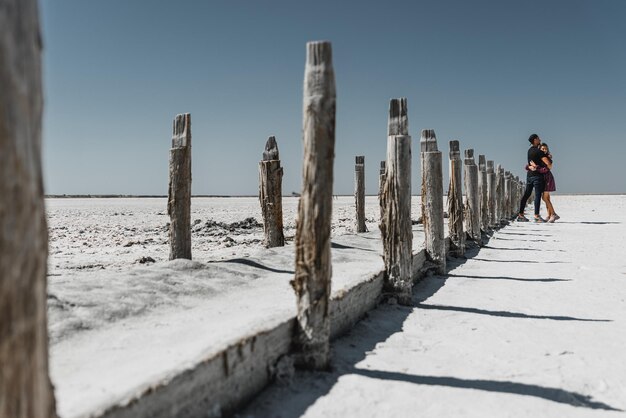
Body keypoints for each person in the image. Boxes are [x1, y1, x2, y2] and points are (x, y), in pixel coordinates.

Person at [517, 134, 552, 222]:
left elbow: (529, 164)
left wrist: (531, 166)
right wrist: (548, 156)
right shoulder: (538, 151)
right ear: (535, 140)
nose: (540, 139)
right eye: (538, 138)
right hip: (537, 176)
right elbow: (548, 164)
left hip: (529, 175)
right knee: (537, 195)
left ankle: (520, 215)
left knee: (526, 195)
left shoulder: (529, 151)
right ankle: (536, 216)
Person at [529, 143, 559, 222]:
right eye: (543, 149)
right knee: (547, 198)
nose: (544, 150)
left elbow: (546, 169)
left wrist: (536, 167)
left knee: (544, 198)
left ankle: (553, 214)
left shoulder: (546, 158)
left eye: (545, 149)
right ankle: (549, 215)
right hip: (543, 178)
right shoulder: (540, 157)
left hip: (547, 178)